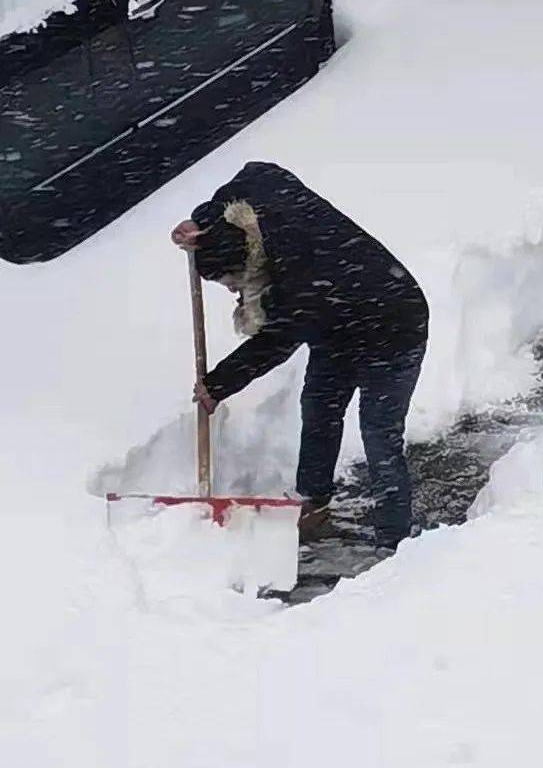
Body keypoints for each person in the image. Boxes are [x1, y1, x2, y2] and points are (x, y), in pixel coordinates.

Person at [171, 161, 428, 547]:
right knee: (319, 408)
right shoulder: (259, 207)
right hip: (338, 320)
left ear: (244, 265)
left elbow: (277, 341)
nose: (233, 291)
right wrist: (203, 221)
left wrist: (218, 384)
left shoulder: (297, 275)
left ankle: (397, 539)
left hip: (393, 322)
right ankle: (312, 504)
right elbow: (258, 172)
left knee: (379, 430)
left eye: (231, 282)